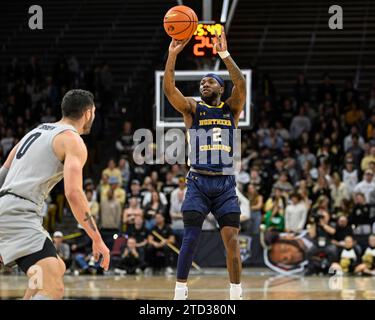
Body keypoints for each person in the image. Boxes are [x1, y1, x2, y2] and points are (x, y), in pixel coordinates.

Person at [0, 89, 109, 300]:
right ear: (88, 113)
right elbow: (74, 193)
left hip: (9, 209)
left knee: (55, 268)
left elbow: (2, 174)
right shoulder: (73, 141)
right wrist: (96, 238)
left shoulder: (35, 132)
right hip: (18, 214)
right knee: (53, 289)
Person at [163, 26, 246, 300]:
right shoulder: (192, 108)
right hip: (198, 181)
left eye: (209, 82)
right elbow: (169, 90)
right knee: (191, 237)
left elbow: (241, 84)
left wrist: (224, 53)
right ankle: (180, 291)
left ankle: (236, 293)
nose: (203, 85)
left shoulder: (231, 109)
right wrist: (172, 55)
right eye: (201, 83)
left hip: (224, 184)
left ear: (221, 88)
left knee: (232, 240)